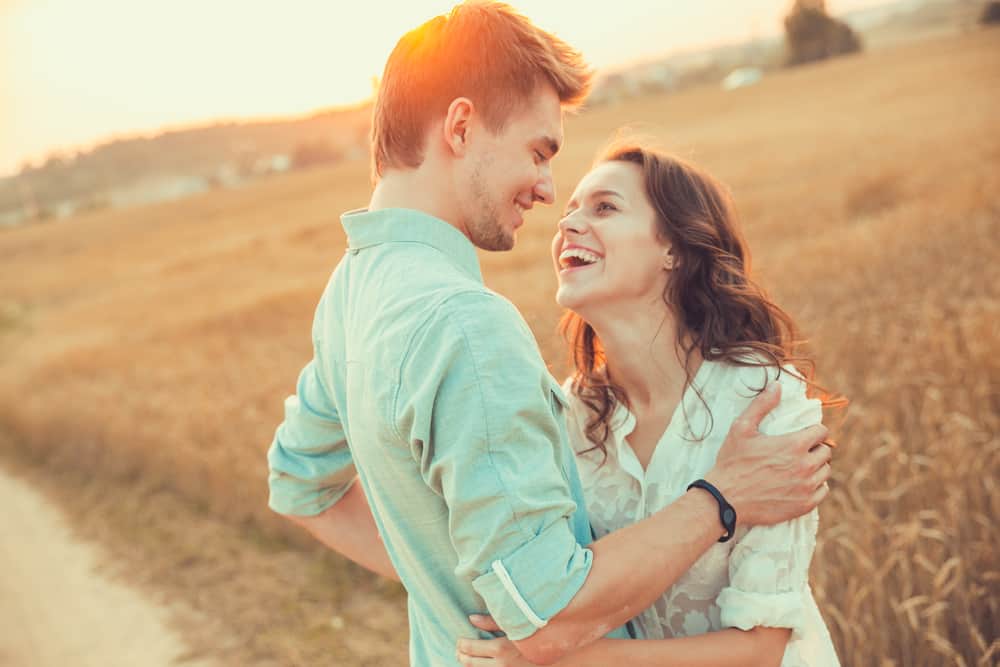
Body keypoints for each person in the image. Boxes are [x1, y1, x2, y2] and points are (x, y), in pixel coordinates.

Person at [265, 3, 832, 665]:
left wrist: (466, 575)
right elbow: (547, 618)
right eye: (539, 151)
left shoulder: (348, 295)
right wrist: (720, 500)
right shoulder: (467, 326)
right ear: (460, 126)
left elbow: (299, 484)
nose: (545, 190)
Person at [455, 145, 843, 666]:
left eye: (604, 208)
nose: (568, 222)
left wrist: (561, 660)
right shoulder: (567, 416)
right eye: (570, 209)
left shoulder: (762, 399)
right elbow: (551, 584)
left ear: (674, 251)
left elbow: (759, 650)